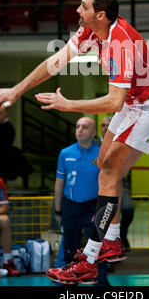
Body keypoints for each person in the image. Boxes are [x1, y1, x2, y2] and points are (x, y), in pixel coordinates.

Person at [0, 0, 149, 285]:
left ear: (100, 15)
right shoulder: (89, 32)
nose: (77, 10)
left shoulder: (119, 45)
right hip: (132, 102)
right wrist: (17, 90)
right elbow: (54, 63)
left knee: (109, 175)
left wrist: (68, 104)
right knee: (104, 166)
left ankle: (89, 259)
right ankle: (111, 239)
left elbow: (113, 102)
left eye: (83, 6)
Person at [53, 116, 110, 286]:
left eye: (84, 127)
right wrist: (57, 209)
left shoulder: (102, 153)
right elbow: (59, 182)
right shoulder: (65, 153)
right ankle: (71, 281)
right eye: (77, 126)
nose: (79, 130)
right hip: (71, 205)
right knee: (70, 247)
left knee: (98, 247)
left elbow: (109, 183)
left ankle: (101, 282)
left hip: (94, 206)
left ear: (93, 133)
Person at [95, 116, 135, 252]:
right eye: (103, 125)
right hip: (97, 184)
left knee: (129, 208)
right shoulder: (92, 145)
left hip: (118, 183)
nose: (106, 128)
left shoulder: (122, 143)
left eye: (109, 125)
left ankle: (121, 235)